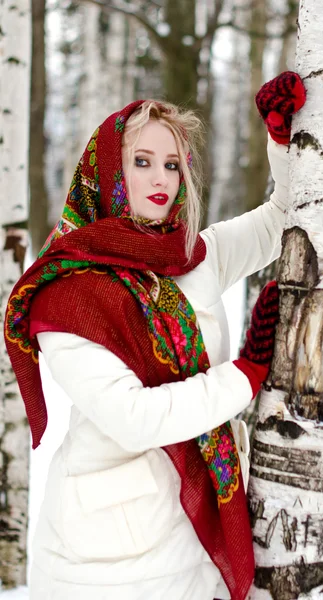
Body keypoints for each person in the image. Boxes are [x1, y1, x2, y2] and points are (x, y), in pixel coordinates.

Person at [4, 72, 306, 600]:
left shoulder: (191, 257)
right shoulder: (68, 295)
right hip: (110, 560)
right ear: (106, 173)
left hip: (195, 532)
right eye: (141, 162)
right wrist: (244, 374)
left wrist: (282, 141)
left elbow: (282, 219)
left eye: (172, 164)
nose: (160, 177)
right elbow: (133, 419)